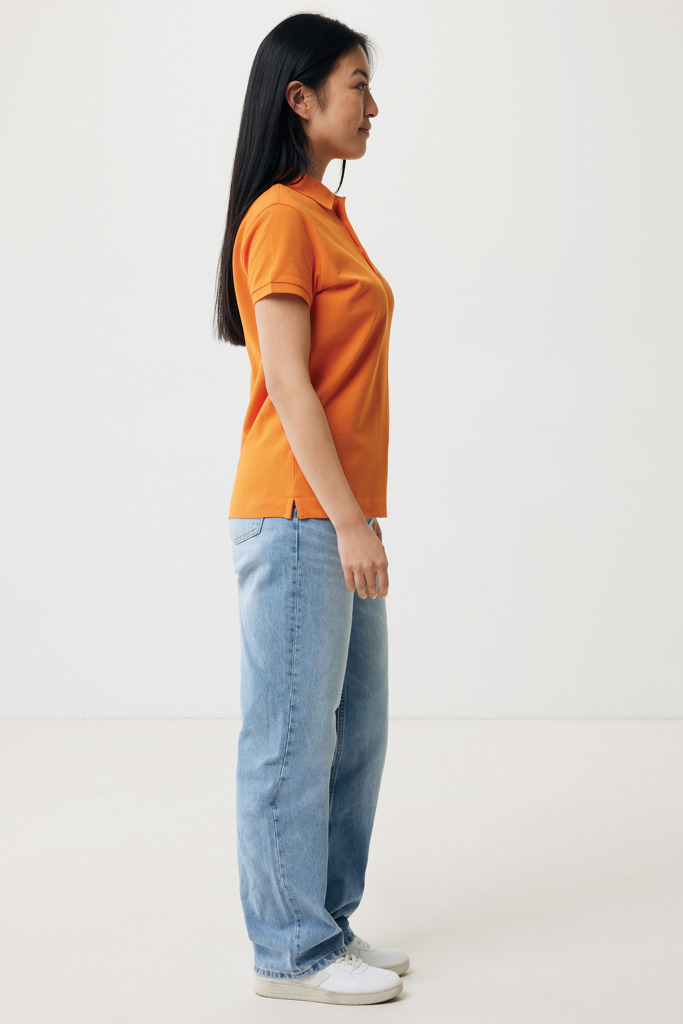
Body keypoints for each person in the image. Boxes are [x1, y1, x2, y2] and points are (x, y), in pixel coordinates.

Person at [213, 12, 408, 1005]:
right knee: (290, 738)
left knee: (354, 733)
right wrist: (348, 521)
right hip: (300, 515)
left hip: (332, 514)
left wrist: (355, 517)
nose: (372, 105)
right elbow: (289, 384)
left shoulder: (325, 215)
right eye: (356, 83)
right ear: (300, 97)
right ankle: (289, 952)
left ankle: (325, 921)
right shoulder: (281, 218)